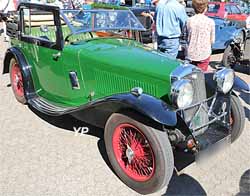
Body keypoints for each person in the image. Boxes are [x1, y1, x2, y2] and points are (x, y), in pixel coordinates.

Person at [186, 0, 215, 71]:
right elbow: (212, 41)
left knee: (189, 75)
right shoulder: (210, 22)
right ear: (205, 8)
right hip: (204, 53)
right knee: (201, 76)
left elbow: (187, 37)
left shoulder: (189, 20)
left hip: (191, 53)